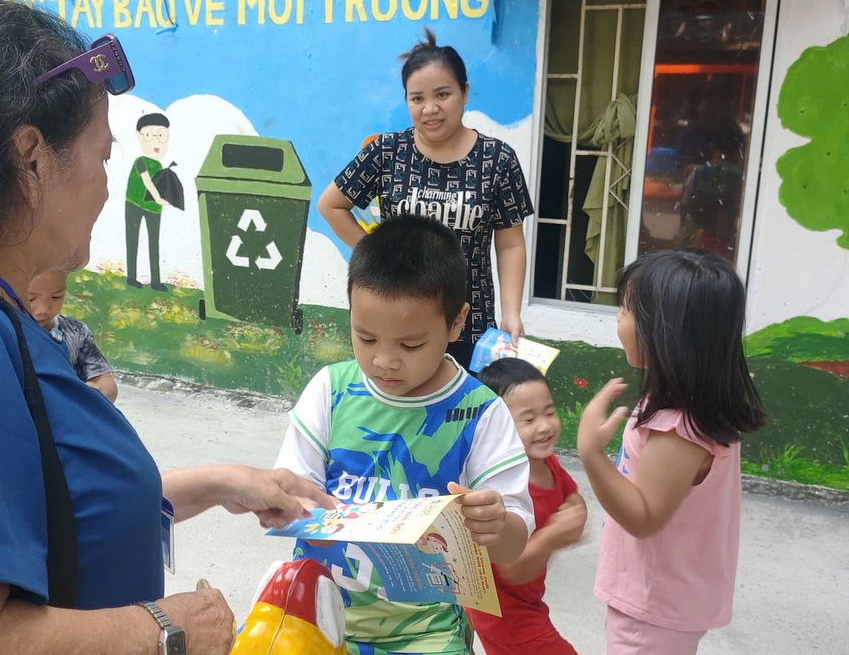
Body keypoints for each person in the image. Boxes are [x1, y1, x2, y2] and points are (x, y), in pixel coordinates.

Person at [0, 0, 336, 655]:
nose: (107, 186)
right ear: (31, 158)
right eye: (102, 156)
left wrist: (220, 483)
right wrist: (168, 627)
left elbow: (47, 508)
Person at [274, 215, 534, 655]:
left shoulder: (480, 412)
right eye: (365, 337)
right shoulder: (331, 390)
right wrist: (295, 510)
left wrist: (497, 525)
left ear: (456, 324)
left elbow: (513, 543)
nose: (384, 361)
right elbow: (289, 493)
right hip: (317, 616)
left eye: (410, 345)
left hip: (425, 634)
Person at [577, 248, 768, 654]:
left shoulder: (677, 429)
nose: (618, 318)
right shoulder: (697, 406)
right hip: (666, 597)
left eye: (626, 309)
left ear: (661, 332)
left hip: (652, 606)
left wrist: (591, 455)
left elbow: (644, 517)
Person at [317, 28, 535, 369]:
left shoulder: (497, 159)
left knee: (462, 413)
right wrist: (378, 254)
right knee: (400, 410)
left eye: (442, 94)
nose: (430, 108)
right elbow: (331, 205)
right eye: (416, 98)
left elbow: (510, 245)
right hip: (396, 318)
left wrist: (511, 313)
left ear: (464, 93)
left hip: (467, 319)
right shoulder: (387, 152)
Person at [465, 358, 585, 655]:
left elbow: (571, 496)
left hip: (530, 600)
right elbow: (513, 570)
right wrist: (552, 537)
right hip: (503, 613)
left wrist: (575, 510)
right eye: (529, 419)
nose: (544, 426)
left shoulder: (548, 464)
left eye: (549, 412)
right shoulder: (500, 490)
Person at [28, 270, 118, 402]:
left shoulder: (76, 331)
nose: (42, 309)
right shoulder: (2, 333)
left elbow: (104, 379)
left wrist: (98, 392)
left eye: (56, 296)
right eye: (31, 298)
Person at [125, 112, 173, 291]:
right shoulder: (141, 162)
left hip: (154, 209)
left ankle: (156, 280)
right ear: (140, 136)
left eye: (161, 136)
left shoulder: (159, 166)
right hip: (134, 204)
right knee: (133, 239)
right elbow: (148, 182)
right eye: (150, 135)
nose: (157, 142)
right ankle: (131, 277)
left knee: (154, 243)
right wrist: (160, 198)